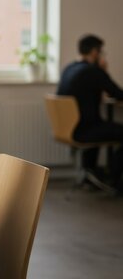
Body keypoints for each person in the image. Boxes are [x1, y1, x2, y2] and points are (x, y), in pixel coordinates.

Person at [57, 34, 123, 189]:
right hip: (84, 129)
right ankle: (110, 177)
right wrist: (103, 71)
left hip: (70, 128)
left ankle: (92, 175)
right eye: (101, 52)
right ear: (95, 52)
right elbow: (117, 93)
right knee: (107, 127)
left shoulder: (69, 68)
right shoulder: (93, 71)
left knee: (101, 124)